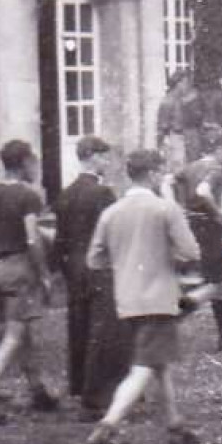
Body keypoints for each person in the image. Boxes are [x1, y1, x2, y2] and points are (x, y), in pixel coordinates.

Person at [82, 149, 203, 444]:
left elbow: (94, 259)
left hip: (127, 299)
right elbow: (191, 252)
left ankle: (175, 423)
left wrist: (125, 264)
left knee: (157, 362)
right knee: (143, 368)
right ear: (152, 174)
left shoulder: (112, 212)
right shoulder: (165, 209)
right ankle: (106, 427)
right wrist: (166, 259)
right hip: (159, 299)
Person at [0, 139, 61, 423]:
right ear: (23, 163)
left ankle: (38, 391)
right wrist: (44, 274)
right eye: (32, 161)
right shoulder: (28, 196)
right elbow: (32, 238)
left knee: (19, 333)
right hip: (19, 267)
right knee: (13, 335)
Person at [52, 135, 131, 421]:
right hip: (98, 264)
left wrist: (63, 269)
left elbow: (60, 239)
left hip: (74, 266)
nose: (107, 162)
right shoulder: (102, 194)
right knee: (104, 329)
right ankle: (98, 394)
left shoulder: (66, 193)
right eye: (104, 157)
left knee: (79, 326)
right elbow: (112, 234)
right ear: (93, 157)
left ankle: (80, 386)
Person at [173, 126, 222, 349]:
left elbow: (170, 181)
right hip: (210, 227)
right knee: (217, 282)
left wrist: (177, 205)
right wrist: (220, 215)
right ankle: (182, 307)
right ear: (220, 148)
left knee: (217, 281)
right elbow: (204, 191)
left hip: (194, 225)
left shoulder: (192, 166)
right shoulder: (216, 169)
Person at [156, 70, 197, 170]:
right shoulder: (168, 101)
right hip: (173, 138)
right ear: (178, 84)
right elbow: (162, 127)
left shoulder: (180, 100)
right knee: (177, 169)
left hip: (182, 137)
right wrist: (161, 146)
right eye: (184, 83)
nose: (186, 86)